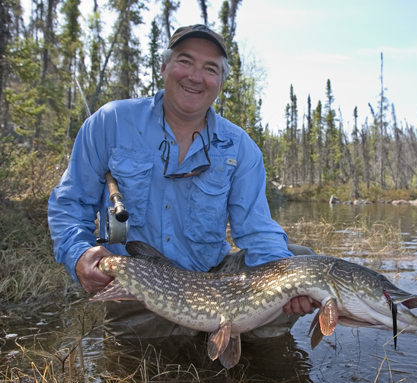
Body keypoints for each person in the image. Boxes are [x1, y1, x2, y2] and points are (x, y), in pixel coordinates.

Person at [48, 24, 317, 338]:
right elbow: (70, 204)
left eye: (210, 68)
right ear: (164, 67)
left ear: (220, 82)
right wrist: (78, 253)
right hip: (138, 284)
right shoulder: (110, 122)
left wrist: (287, 282)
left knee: (300, 264)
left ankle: (240, 337)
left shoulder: (240, 148)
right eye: (185, 61)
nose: (195, 76)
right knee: (143, 371)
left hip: (212, 280)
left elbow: (257, 230)